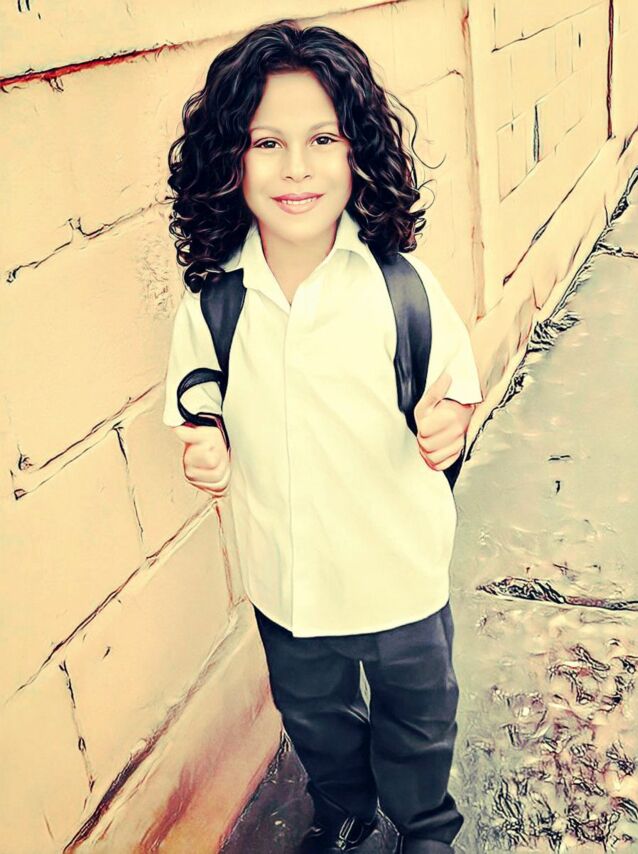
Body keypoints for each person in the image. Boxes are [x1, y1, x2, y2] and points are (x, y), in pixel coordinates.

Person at [162, 19, 483, 854]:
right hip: (290, 576)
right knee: (315, 716)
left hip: (398, 569)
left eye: (322, 139)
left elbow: (456, 381)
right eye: (267, 142)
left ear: (358, 152)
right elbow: (197, 394)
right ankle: (343, 810)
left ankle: (425, 827)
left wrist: (449, 422)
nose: (296, 167)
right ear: (229, 160)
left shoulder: (400, 286)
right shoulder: (215, 301)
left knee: (418, 718)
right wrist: (205, 441)